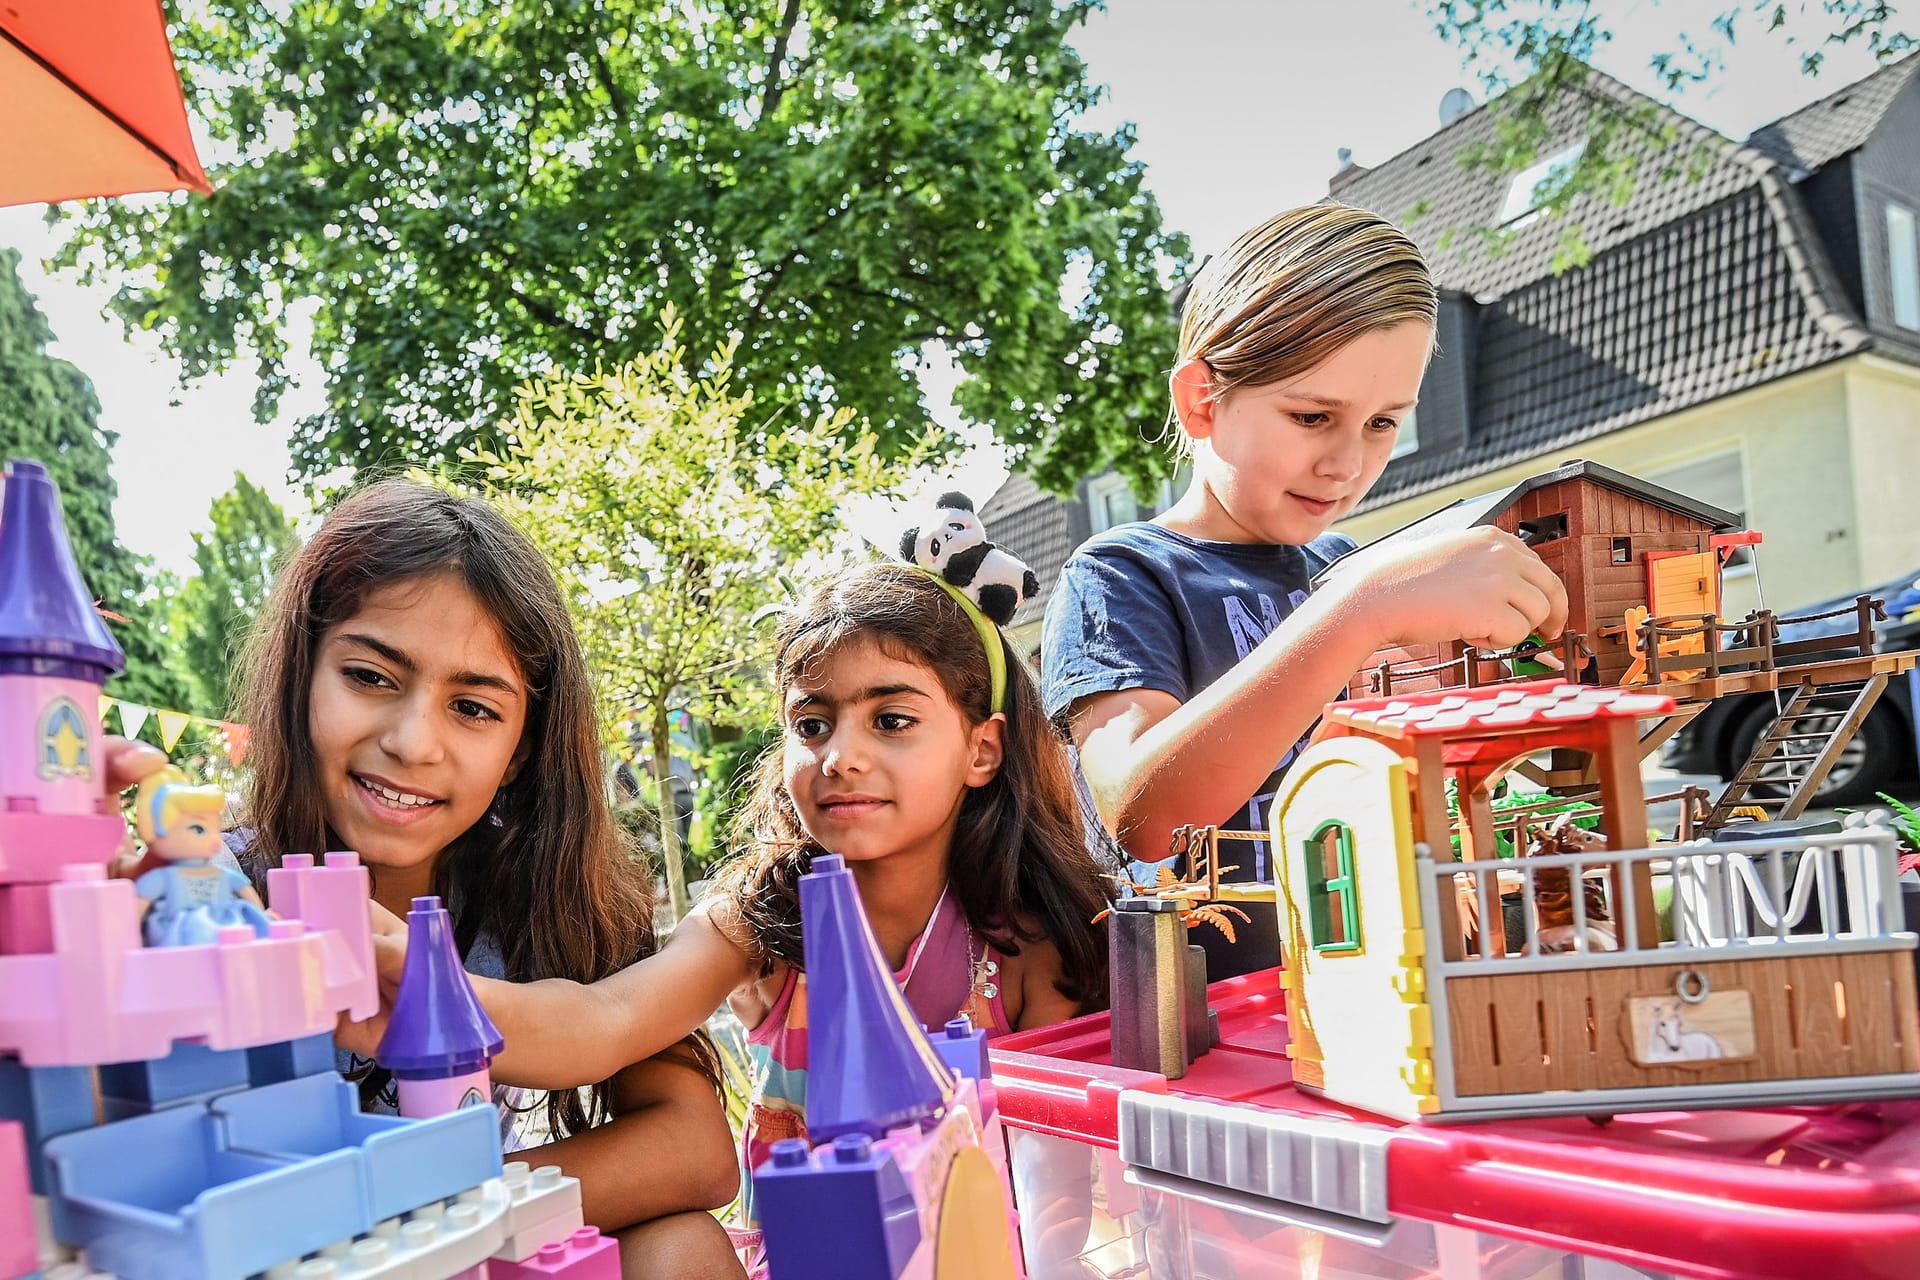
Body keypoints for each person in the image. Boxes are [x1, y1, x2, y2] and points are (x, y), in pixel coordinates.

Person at [355, 561, 1114, 1266]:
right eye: (812, 725)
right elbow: (601, 1022)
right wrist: (425, 979)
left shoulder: (1031, 947)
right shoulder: (763, 921)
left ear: (982, 750)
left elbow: (1059, 1207)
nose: (840, 756)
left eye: (891, 721)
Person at [109, 480, 743, 1278]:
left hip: (458, 1243)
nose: (414, 743)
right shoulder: (215, 893)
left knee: (680, 1244)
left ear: (521, 747)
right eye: (371, 677)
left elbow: (695, 1151)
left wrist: (428, 1206)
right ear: (302, 678)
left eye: (474, 707)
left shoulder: (551, 899)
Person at [1042, 203, 1569, 980]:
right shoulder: (1122, 575)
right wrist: (1362, 609)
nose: (1347, 464)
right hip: (1201, 1022)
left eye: (1384, 423)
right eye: (1313, 415)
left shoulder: (1351, 566)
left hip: (1374, 991)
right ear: (1201, 401)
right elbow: (1145, 817)